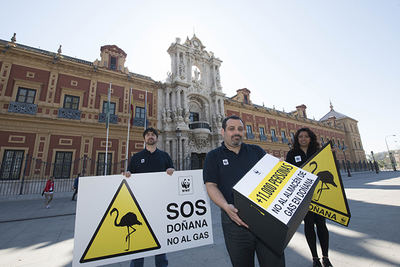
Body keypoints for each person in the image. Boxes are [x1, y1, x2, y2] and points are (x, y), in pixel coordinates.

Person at [203, 115, 285, 267]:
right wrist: (225, 207)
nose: (237, 132)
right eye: (231, 129)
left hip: (266, 221)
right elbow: (211, 185)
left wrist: (281, 166)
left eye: (240, 129)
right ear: (223, 132)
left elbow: (274, 172)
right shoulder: (213, 157)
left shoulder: (257, 151)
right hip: (235, 222)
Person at [124, 127, 174, 267]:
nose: (150, 136)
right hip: (140, 205)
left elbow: (172, 175)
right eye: (148, 135)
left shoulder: (165, 156)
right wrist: (127, 174)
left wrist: (172, 171)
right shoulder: (136, 157)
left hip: (160, 205)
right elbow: (130, 175)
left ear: (157, 138)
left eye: (153, 134)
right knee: (139, 241)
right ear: (144, 139)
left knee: (160, 240)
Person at [285, 128, 333, 267]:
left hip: (319, 196)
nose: (303, 139)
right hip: (303, 198)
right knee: (309, 225)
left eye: (306, 136)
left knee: (322, 225)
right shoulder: (292, 154)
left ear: (311, 138)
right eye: (300, 136)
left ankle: (325, 257)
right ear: (297, 139)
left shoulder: (318, 153)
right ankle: (315, 258)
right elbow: (289, 173)